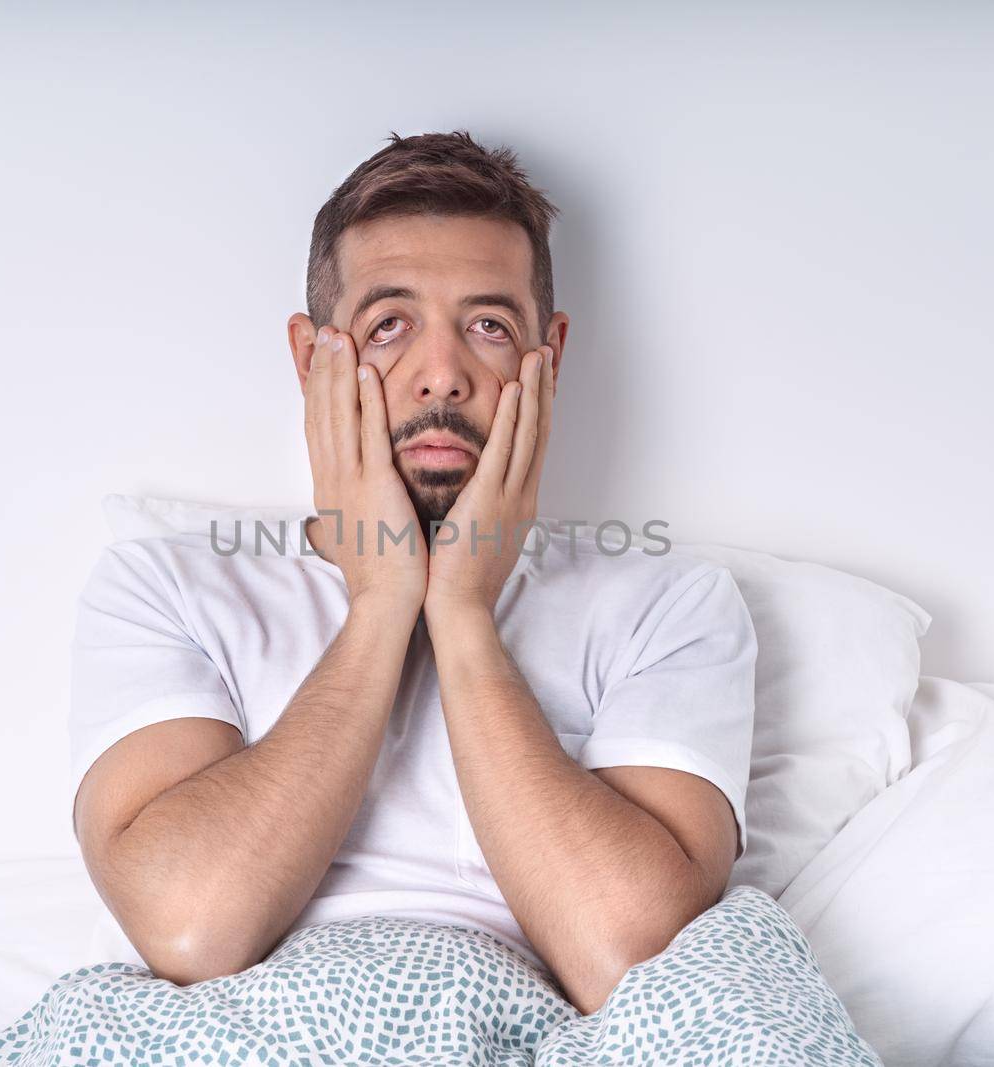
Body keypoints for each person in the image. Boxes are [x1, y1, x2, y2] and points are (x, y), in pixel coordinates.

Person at [67, 130, 757, 1019]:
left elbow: (632, 967)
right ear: (313, 357)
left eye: (489, 326)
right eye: (390, 324)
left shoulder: (669, 608)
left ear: (549, 355)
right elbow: (192, 928)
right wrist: (382, 601)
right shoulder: (167, 587)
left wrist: (462, 614)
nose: (442, 375)